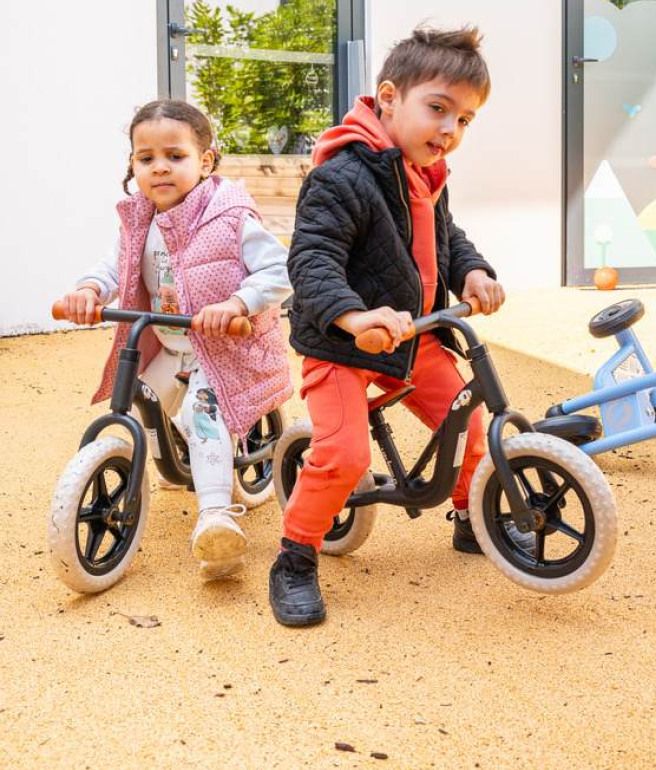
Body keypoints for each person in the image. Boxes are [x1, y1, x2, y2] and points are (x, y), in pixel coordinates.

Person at [270, 26, 528, 626]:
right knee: (343, 453)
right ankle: (295, 557)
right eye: (438, 109)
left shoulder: (427, 174)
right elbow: (311, 259)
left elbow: (447, 239)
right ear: (388, 97)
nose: (449, 130)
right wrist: (353, 316)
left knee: (473, 425)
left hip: (410, 340)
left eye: (464, 121)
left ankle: (472, 517)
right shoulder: (341, 176)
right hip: (341, 343)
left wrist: (472, 272)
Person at [58, 99, 292, 577]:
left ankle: (215, 515)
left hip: (221, 347)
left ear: (205, 162)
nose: (159, 167)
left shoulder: (230, 217)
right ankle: (173, 458)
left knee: (203, 416)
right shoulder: (137, 219)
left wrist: (238, 303)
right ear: (133, 166)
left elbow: (279, 270)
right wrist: (88, 289)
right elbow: (113, 266)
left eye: (175, 156)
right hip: (166, 342)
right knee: (147, 396)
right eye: (146, 159)